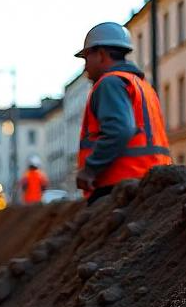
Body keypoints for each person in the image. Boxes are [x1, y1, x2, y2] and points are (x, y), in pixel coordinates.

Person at [73, 23, 171, 203]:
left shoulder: (110, 83)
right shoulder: (141, 85)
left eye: (86, 58)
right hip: (152, 181)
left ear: (101, 54)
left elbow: (120, 130)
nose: (85, 68)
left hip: (119, 186)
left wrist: (90, 169)